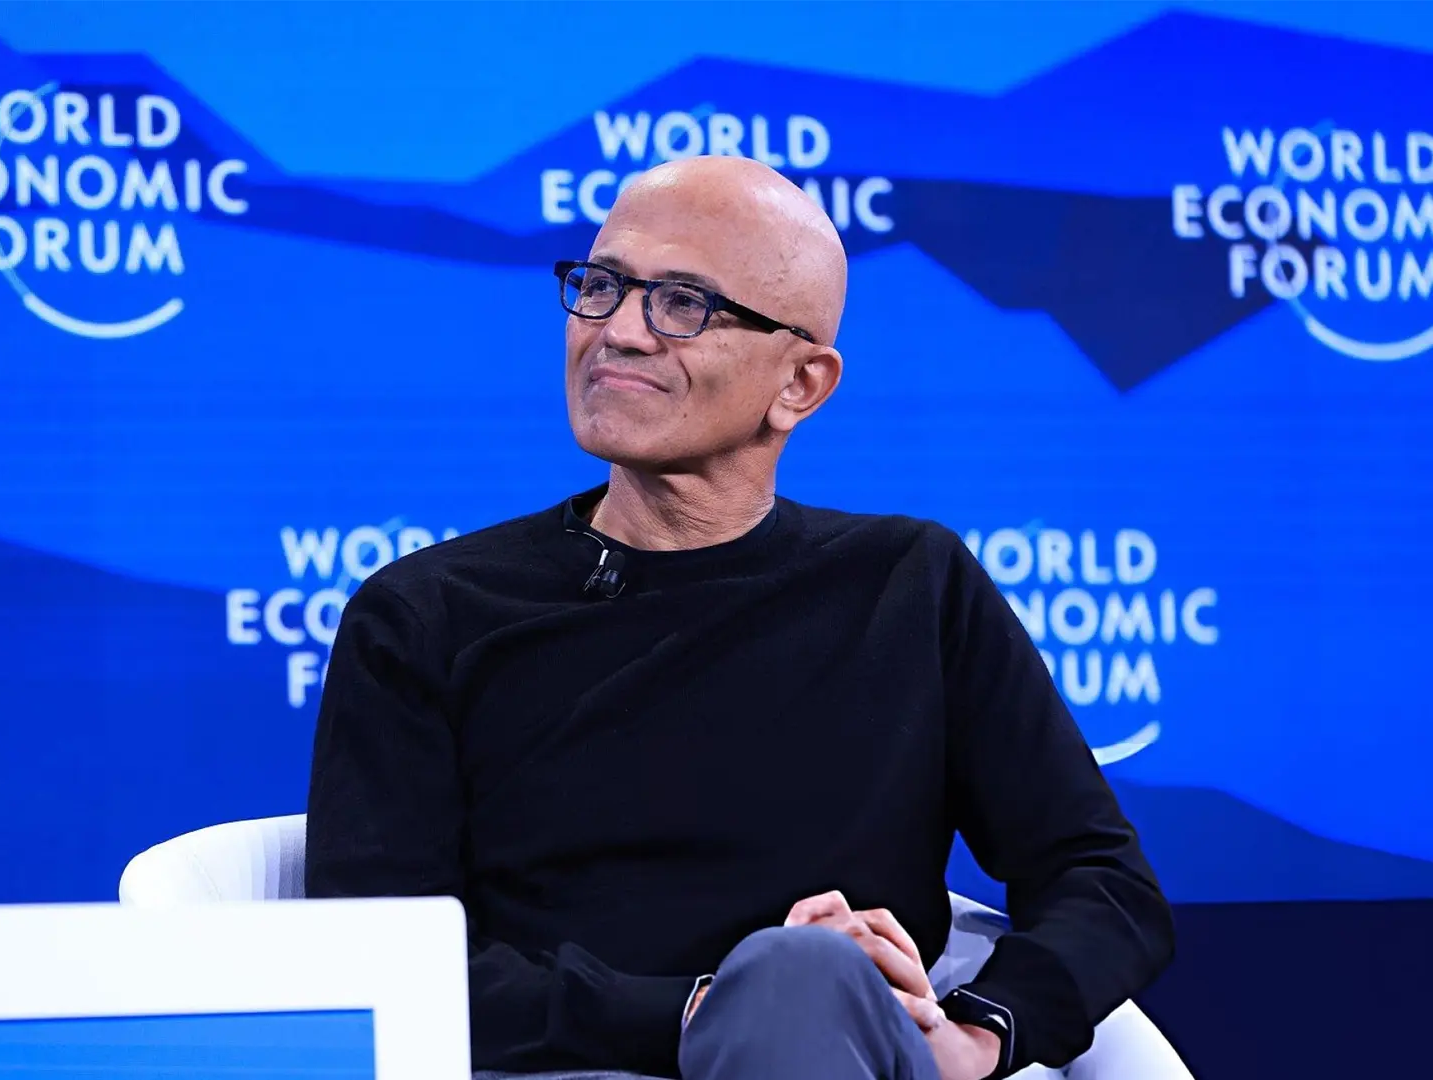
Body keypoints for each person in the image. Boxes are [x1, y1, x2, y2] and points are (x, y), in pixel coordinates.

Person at [305, 155, 1173, 1080]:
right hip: (573, 1068)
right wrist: (697, 1012)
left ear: (800, 383)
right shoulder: (429, 614)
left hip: (856, 1056)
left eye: (682, 303)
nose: (619, 332)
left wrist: (980, 1033)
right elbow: (379, 962)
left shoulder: (907, 585)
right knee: (797, 976)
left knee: (808, 983)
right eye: (601, 287)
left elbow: (1105, 886)